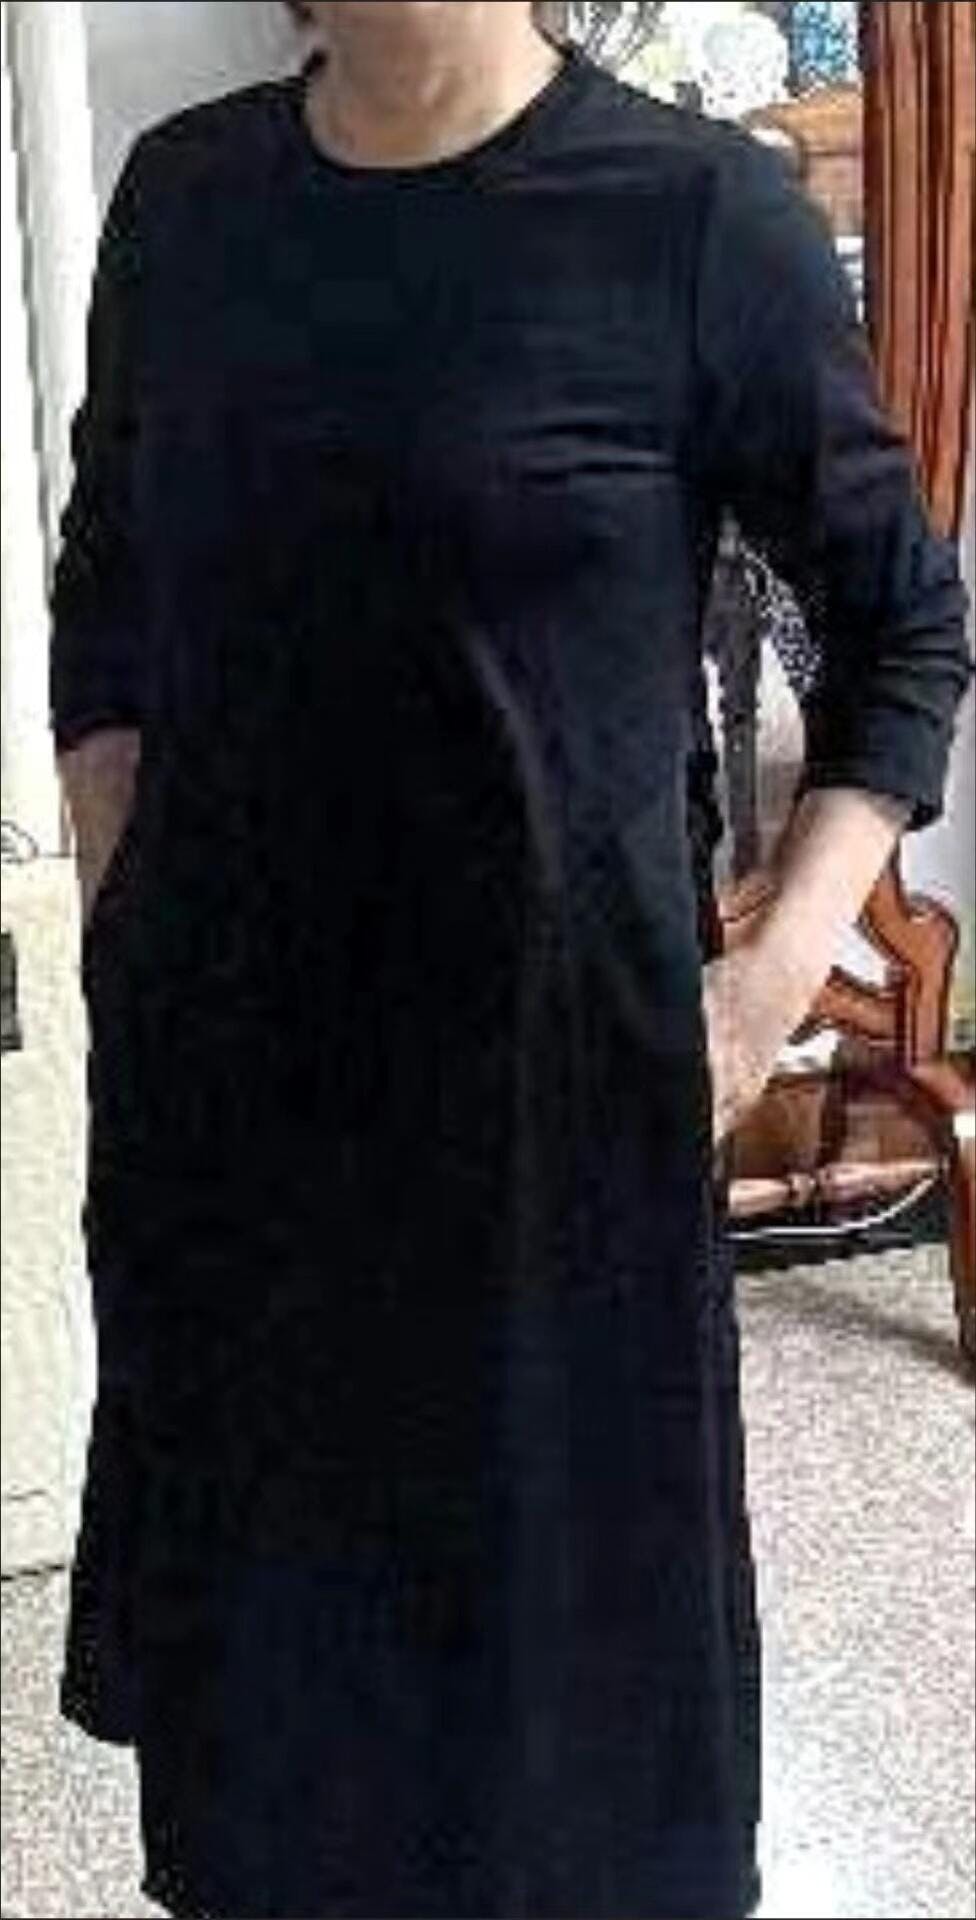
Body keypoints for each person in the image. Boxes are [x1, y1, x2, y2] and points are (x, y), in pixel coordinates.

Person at [51, 3, 972, 1916]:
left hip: (550, 1152)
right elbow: (107, 600)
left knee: (564, 1783)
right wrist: (125, 925)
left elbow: (903, 633)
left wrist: (764, 995)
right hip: (240, 1145)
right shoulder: (186, 207)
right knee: (274, 1778)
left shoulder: (700, 219)